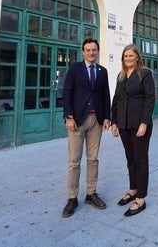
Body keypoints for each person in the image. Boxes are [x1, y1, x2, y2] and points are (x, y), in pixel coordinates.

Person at [61, 38, 111, 217]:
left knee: (93, 159)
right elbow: (66, 92)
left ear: (97, 51)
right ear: (83, 52)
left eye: (94, 50)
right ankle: (72, 198)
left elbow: (106, 95)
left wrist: (107, 117)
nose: (91, 53)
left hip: (96, 121)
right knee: (74, 161)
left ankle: (91, 193)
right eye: (88, 50)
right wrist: (68, 116)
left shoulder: (102, 71)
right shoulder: (75, 69)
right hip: (77, 121)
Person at [111, 44, 155, 216]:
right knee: (130, 159)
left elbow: (150, 99)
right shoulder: (121, 76)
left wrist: (145, 123)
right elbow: (116, 99)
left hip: (139, 124)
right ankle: (133, 189)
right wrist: (114, 121)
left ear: (137, 57)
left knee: (140, 160)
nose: (127, 59)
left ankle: (141, 198)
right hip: (123, 123)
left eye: (130, 55)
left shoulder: (145, 73)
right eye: (125, 56)